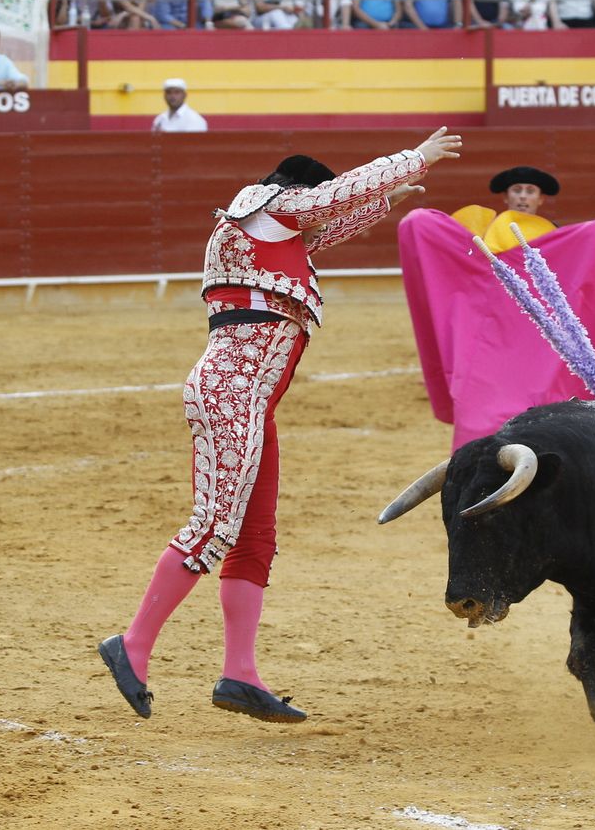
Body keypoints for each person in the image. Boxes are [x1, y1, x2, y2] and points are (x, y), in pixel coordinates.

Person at [97, 128, 461, 724]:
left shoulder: (265, 235)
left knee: (254, 536)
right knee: (214, 525)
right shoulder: (266, 202)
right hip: (231, 392)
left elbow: (327, 224)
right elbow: (325, 205)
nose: (314, 227)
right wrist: (410, 160)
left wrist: (383, 203)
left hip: (250, 400)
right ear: (290, 192)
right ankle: (133, 646)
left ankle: (239, 674)